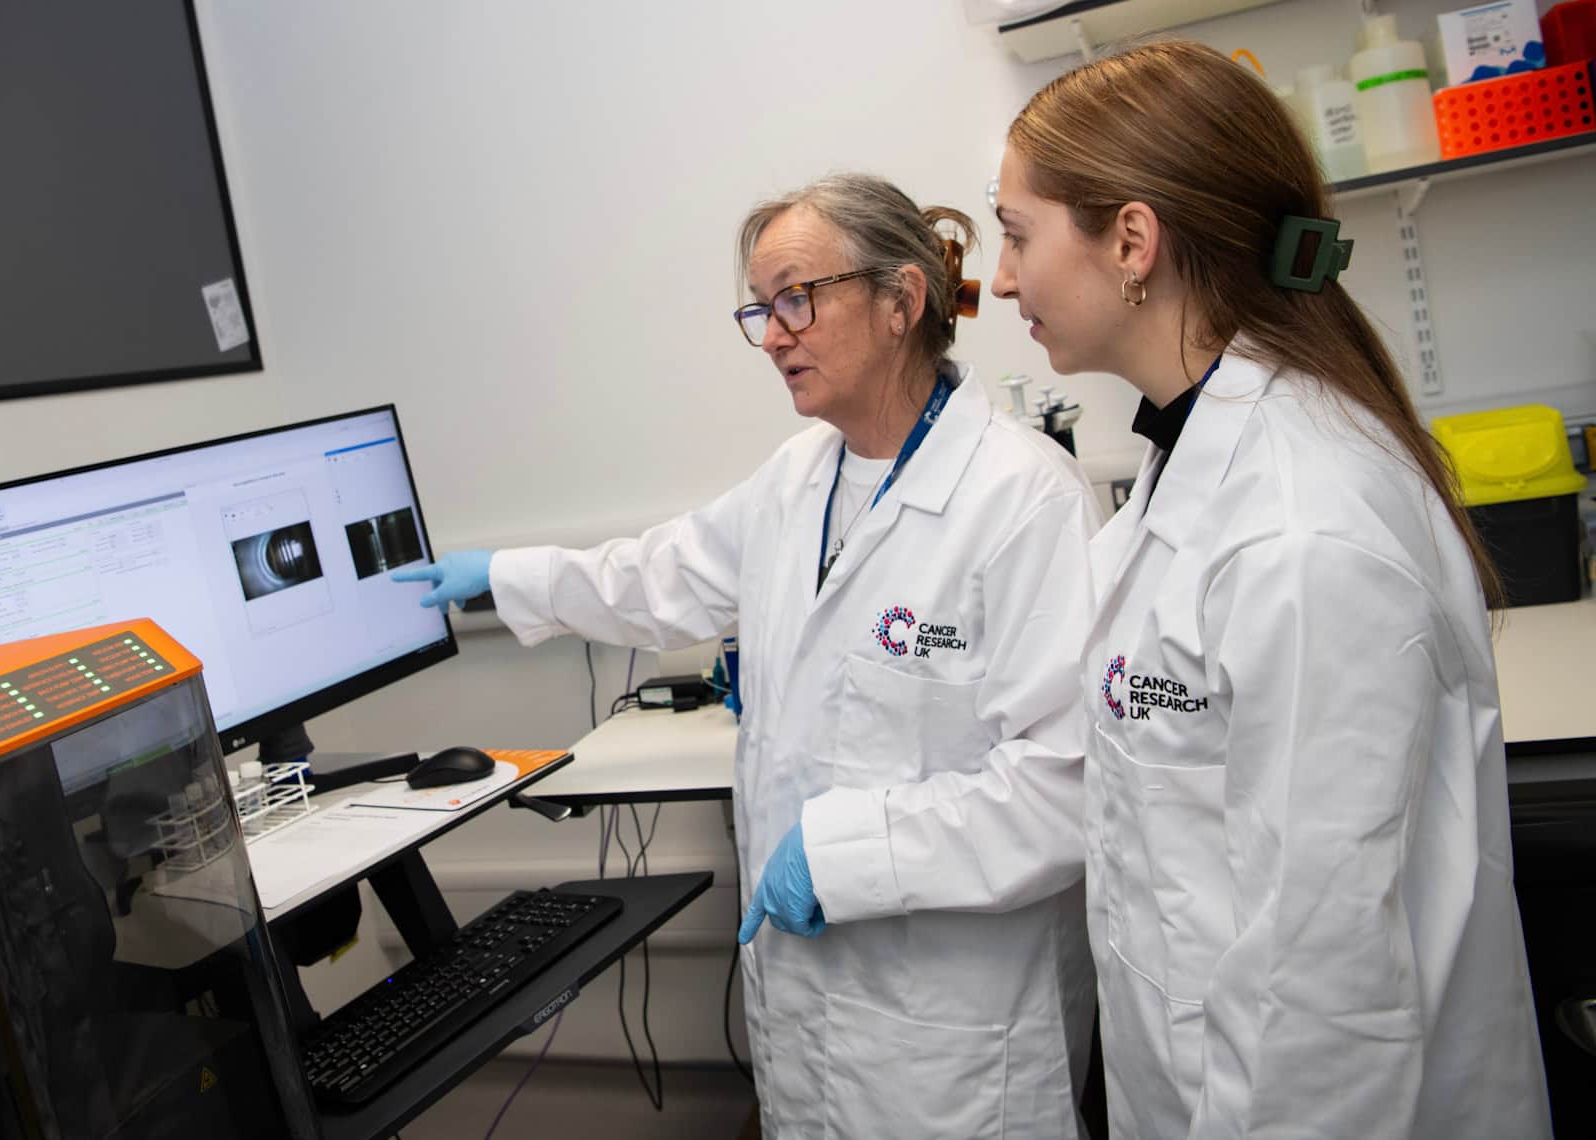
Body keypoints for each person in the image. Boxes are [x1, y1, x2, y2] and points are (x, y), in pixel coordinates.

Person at [396, 174, 1101, 1138]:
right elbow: (660, 575)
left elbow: (1060, 789)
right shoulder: (798, 477)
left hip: (952, 1032)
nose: (772, 336)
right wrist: (506, 576)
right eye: (761, 309)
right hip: (807, 1007)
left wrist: (848, 853)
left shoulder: (1025, 500)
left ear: (901, 300)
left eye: (796, 299)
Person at [992, 40, 1552, 1139]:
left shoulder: (1301, 530)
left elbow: (1325, 999)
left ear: (1131, 242)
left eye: (1016, 234)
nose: (1002, 279)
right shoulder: (1194, 454)